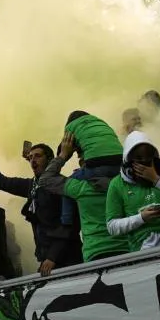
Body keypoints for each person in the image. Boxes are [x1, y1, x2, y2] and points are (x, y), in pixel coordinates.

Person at [0, 136, 82, 276]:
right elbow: (0, 182)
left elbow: (69, 226)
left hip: (68, 258)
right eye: (30, 157)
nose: (33, 160)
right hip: (47, 260)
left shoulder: (62, 185)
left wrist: (52, 257)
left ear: (50, 160)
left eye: (38, 156)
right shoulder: (31, 186)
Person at [39, 112, 129, 262]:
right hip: (129, 250)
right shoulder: (127, 185)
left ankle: (66, 220)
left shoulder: (81, 189)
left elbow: (46, 180)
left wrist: (63, 156)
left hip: (97, 253)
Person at [105, 131, 160, 251]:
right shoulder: (117, 184)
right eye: (138, 158)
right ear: (128, 160)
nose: (144, 161)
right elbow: (112, 227)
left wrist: (157, 180)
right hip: (142, 252)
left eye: (148, 157)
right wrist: (141, 218)